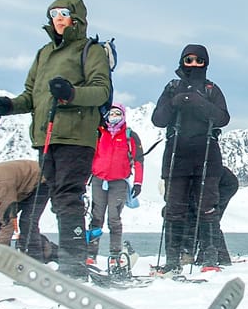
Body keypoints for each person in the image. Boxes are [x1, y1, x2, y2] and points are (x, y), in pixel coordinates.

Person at [0, 0, 112, 279]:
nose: (58, 18)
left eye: (64, 13)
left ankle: (74, 264)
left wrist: (71, 93)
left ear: (76, 18)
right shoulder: (43, 53)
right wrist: (9, 106)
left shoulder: (90, 50)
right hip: (46, 136)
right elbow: (31, 95)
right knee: (57, 199)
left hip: (76, 136)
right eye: (54, 13)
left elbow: (101, 91)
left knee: (68, 197)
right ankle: (70, 260)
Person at [151, 44, 230, 270]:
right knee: (174, 208)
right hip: (177, 156)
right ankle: (172, 260)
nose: (194, 64)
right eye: (189, 60)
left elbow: (223, 118)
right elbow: (158, 119)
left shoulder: (211, 89)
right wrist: (175, 102)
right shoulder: (172, 88)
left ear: (205, 63)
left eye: (199, 61)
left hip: (207, 155)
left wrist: (199, 102)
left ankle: (209, 258)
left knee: (207, 208)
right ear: (182, 62)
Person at [87, 104, 144, 271]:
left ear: (123, 115)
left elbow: (139, 160)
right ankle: (91, 254)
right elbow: (89, 158)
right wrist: (84, 182)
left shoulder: (129, 135)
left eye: (117, 113)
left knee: (114, 218)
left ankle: (115, 254)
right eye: (111, 113)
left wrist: (138, 182)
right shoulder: (99, 133)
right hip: (98, 180)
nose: (114, 116)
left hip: (119, 182)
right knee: (96, 217)